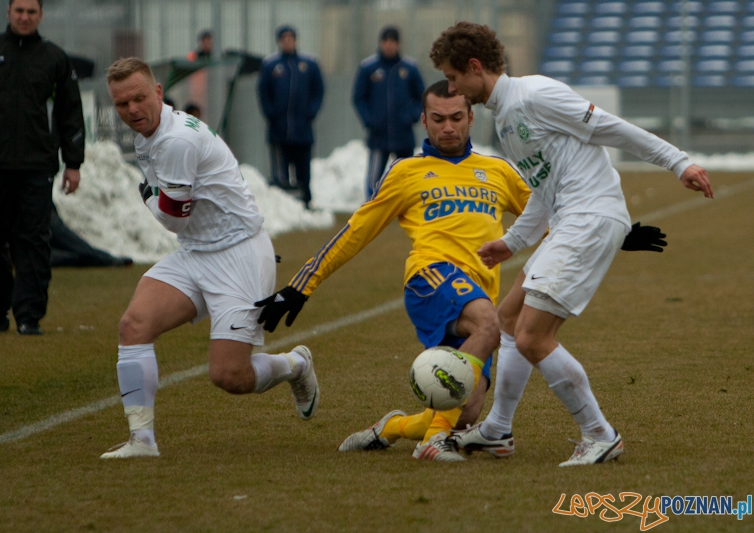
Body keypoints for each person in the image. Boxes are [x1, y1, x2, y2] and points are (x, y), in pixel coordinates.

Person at [430, 22, 713, 466]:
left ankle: (600, 435)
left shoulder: (535, 94)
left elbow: (611, 128)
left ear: (475, 67)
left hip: (589, 218)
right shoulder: (505, 119)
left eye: (452, 77)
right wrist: (513, 241)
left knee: (531, 336)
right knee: (507, 319)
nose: (452, 88)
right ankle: (498, 431)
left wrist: (678, 163)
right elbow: (544, 189)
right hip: (569, 221)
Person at [256, 80, 531, 461]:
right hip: (431, 279)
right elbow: (356, 231)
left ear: (471, 118)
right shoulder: (406, 172)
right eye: (438, 119)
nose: (447, 127)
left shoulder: (498, 170)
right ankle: (431, 445)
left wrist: (614, 230)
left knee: (465, 416)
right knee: (489, 325)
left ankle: (392, 428)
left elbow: (553, 217)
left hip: (477, 292)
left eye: (456, 118)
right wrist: (302, 284)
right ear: (423, 120)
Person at [100, 57, 319, 459]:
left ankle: (294, 365)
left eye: (139, 98)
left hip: (239, 255)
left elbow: (174, 219)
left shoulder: (176, 140)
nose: (132, 110)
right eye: (121, 104)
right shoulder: (149, 135)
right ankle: (142, 441)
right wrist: (155, 198)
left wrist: (147, 198)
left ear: (159, 93)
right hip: (197, 252)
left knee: (229, 376)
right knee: (133, 326)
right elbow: (180, 222)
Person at [0, 0, 84, 335]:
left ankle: (29, 316)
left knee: (34, 239)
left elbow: (70, 112)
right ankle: (1, 303)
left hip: (37, 165)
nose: (24, 17)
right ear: (8, 13)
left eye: (31, 11)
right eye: (19, 11)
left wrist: (73, 162)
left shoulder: (54, 58)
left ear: (40, 15)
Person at [353, 26, 425, 199]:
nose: (389, 45)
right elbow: (358, 98)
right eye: (385, 41)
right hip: (378, 134)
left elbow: (422, 97)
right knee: (375, 178)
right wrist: (369, 120)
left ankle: (407, 206)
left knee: (406, 174)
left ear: (398, 44)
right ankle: (372, 206)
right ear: (380, 43)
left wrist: (412, 116)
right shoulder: (368, 68)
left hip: (403, 133)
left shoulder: (410, 68)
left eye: (393, 41)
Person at [257, 25, 324, 209]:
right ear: (279, 41)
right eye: (284, 39)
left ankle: (305, 202)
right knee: (281, 172)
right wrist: (271, 114)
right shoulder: (271, 65)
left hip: (303, 130)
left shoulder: (308, 64)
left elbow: (318, 91)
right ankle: (283, 206)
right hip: (279, 131)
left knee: (303, 170)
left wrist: (311, 112)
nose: (287, 42)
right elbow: (263, 93)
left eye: (290, 38)